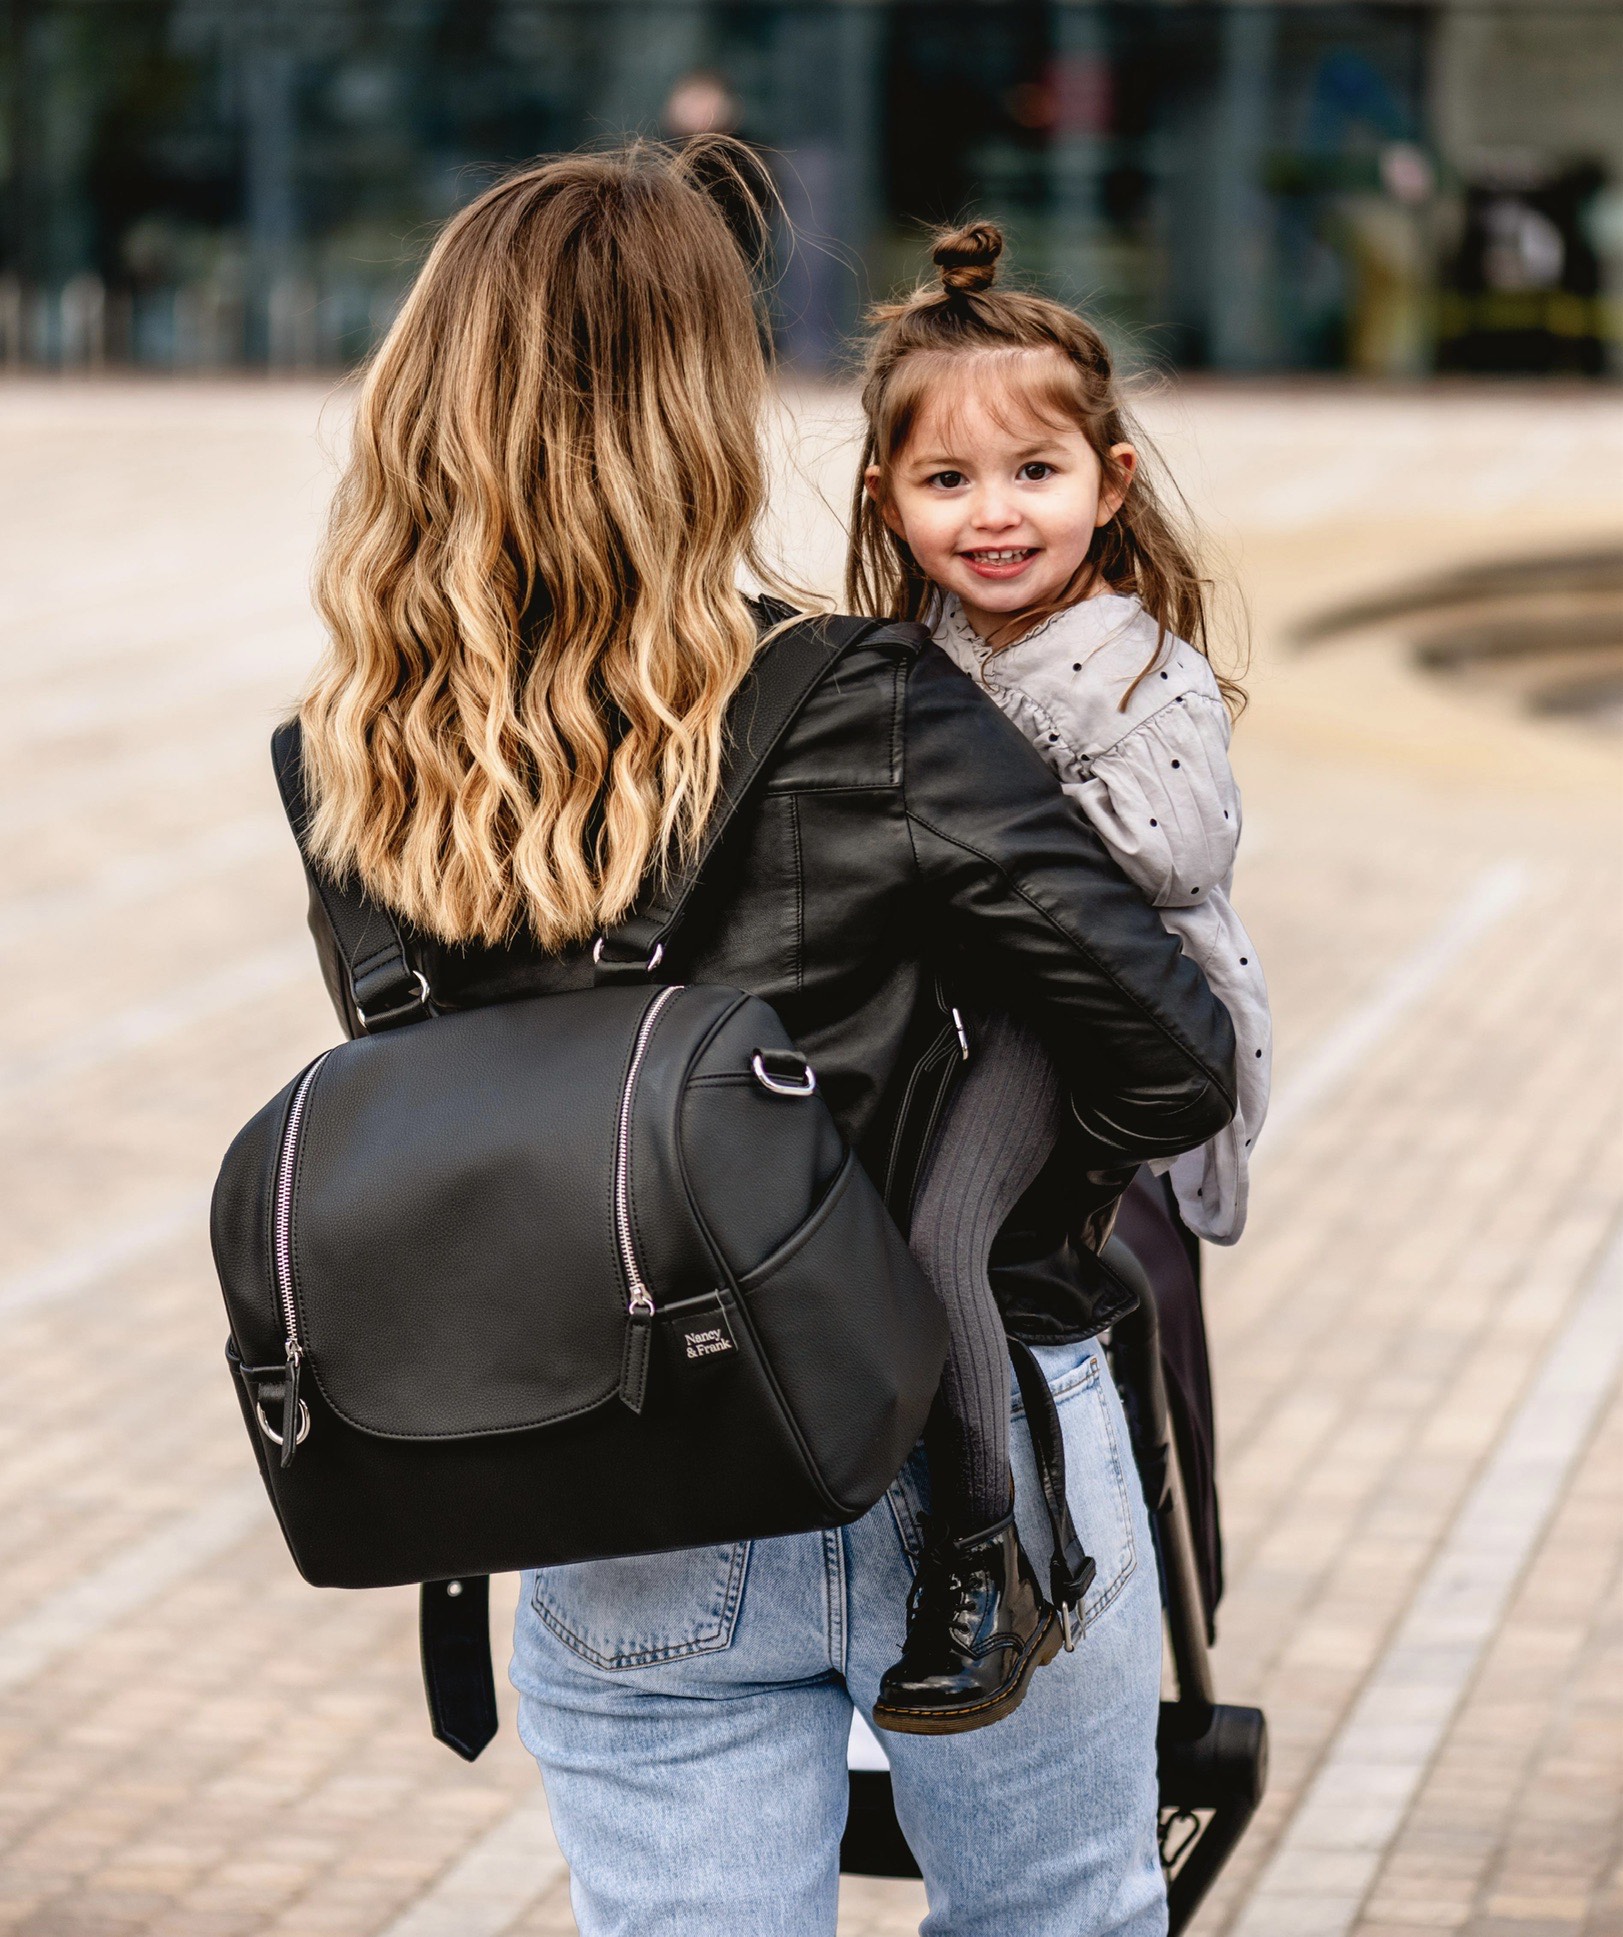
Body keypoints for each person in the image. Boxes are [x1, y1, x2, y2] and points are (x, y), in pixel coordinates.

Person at [292, 140, 1237, 1935]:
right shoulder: (863, 696)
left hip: (613, 1454)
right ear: (697, 415)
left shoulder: (345, 759)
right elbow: (1173, 1055)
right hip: (955, 1446)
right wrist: (984, 1193)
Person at [849, 221, 1270, 1737]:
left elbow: (1173, 847)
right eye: (946, 481)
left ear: (1110, 481)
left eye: (1034, 472)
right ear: (886, 498)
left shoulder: (1131, 659)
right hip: (975, 1004)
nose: (995, 513)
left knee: (940, 1232)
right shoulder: (920, 653)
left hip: (1083, 1007)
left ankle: (979, 1549)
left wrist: (985, 827)